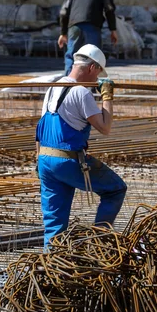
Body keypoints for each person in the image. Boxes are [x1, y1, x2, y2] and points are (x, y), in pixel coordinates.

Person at [35, 44, 127, 248]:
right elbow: (105, 127)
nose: (96, 81)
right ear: (92, 67)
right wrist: (107, 96)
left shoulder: (53, 87)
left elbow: (41, 128)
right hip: (67, 160)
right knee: (115, 189)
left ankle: (50, 269)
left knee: (54, 225)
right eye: (97, 75)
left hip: (45, 161)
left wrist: (38, 162)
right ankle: (100, 242)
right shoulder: (81, 93)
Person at [58, 0, 118, 76]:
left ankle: (68, 83)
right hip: (92, 26)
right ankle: (91, 86)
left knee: (72, 55)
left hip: (74, 27)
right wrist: (113, 30)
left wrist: (63, 33)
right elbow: (109, 9)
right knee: (93, 56)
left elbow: (63, 12)